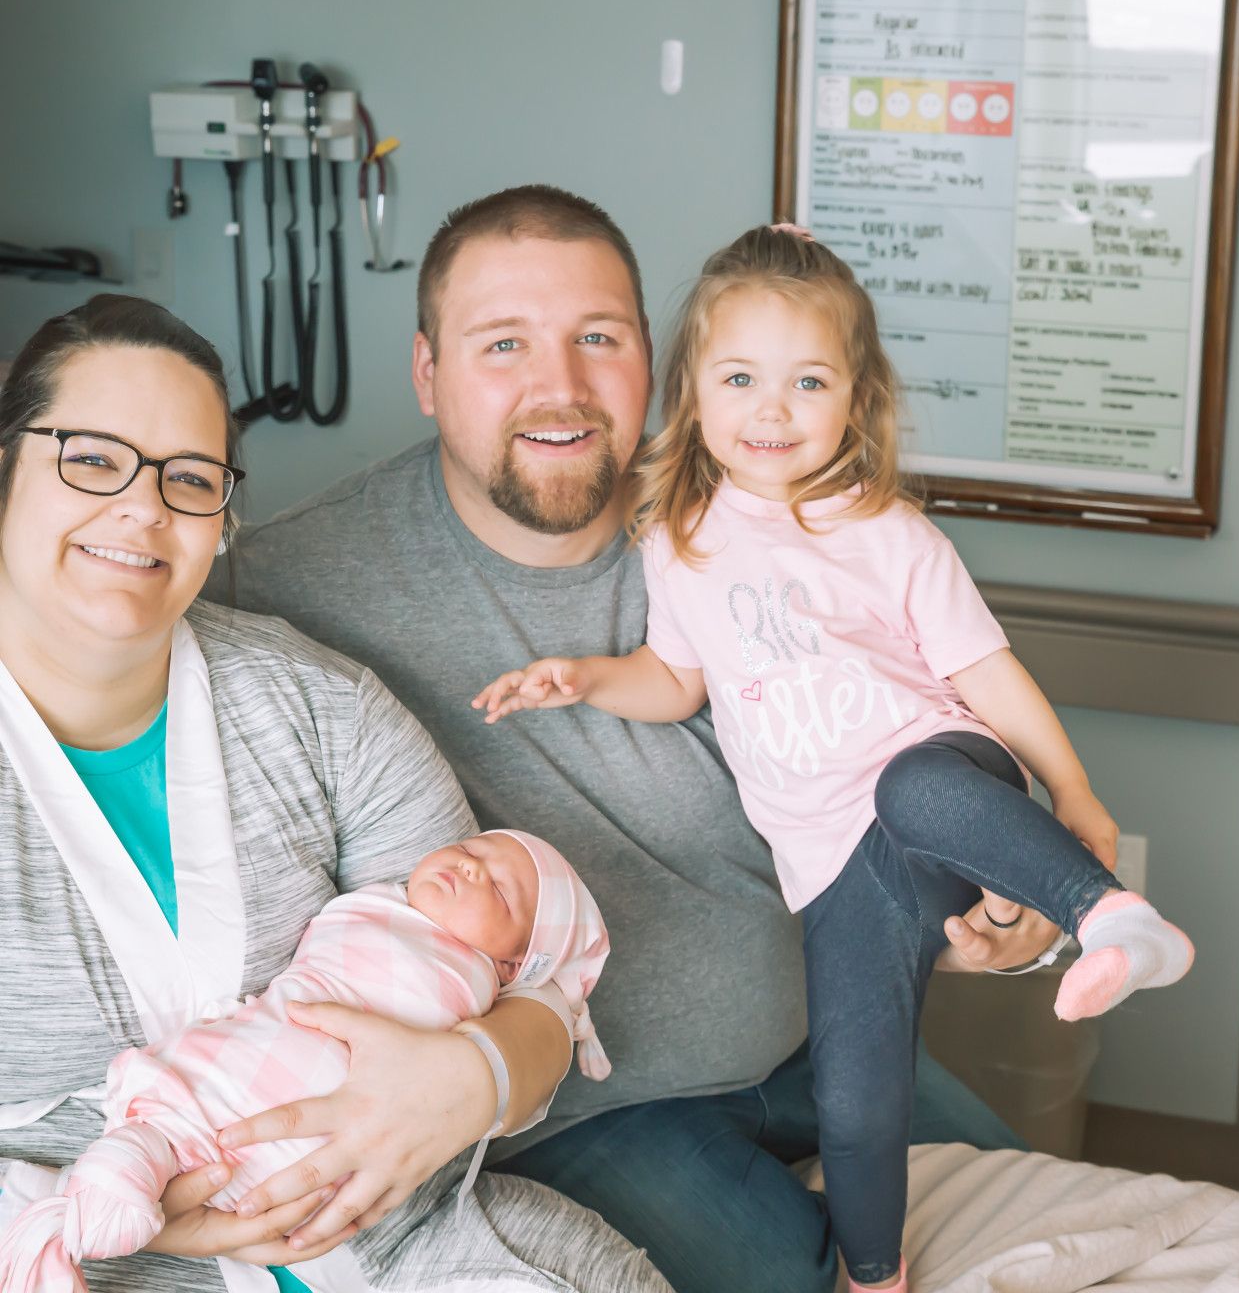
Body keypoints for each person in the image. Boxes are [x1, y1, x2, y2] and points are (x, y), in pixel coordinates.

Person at [223, 185, 1064, 1293]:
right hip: (584, 1111)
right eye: (504, 343)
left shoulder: (760, 520)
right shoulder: (287, 585)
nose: (559, 387)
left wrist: (1015, 908)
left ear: (653, 363)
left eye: (598, 339)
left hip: (826, 1040)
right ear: (426, 373)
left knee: (1045, 1226)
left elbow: (934, 730)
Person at [476, 226, 1196, 1291]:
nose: (771, 411)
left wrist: (1075, 791)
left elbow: (989, 674)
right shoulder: (679, 540)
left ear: (854, 400)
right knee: (860, 1095)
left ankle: (1118, 920)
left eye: (808, 381)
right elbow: (675, 681)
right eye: (741, 379)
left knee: (917, 782)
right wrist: (584, 675)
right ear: (695, 392)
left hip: (945, 784)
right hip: (834, 866)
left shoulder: (889, 531)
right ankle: (875, 1275)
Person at [0, 294, 670, 1293]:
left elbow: (532, 983)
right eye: (92, 458)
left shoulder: (324, 712)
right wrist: (122, 1217)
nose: (143, 509)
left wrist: (475, 1072)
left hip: (414, 1242)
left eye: (189, 479)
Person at [0, 828, 612, 1293]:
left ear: (512, 967)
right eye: (470, 849)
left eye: (500, 890)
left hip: (344, 1173)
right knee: (174, 1132)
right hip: (242, 1073)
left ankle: (61, 1214)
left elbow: (546, 1015)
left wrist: (486, 1066)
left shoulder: (476, 982)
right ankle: (66, 1215)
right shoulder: (381, 905)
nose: (470, 866)